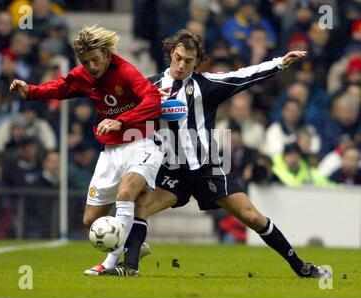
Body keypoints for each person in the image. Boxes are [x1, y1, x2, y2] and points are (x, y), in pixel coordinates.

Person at [90, 29, 323, 278]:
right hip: (170, 169)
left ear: (196, 62)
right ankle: (130, 267)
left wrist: (280, 63)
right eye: (178, 57)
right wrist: (119, 120)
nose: (181, 65)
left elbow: (244, 75)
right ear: (171, 54)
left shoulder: (207, 86)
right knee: (141, 207)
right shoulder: (149, 87)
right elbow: (121, 105)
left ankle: (300, 266)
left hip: (206, 168)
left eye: (188, 61)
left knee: (252, 217)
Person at [9, 25, 164, 263]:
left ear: (106, 54)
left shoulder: (125, 71)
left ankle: (112, 264)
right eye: (85, 61)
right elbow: (60, 87)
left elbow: (153, 99)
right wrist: (30, 91)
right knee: (91, 221)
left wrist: (120, 121)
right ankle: (132, 245)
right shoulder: (83, 75)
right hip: (111, 149)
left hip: (141, 140)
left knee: (126, 193)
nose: (91, 66)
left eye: (94, 59)